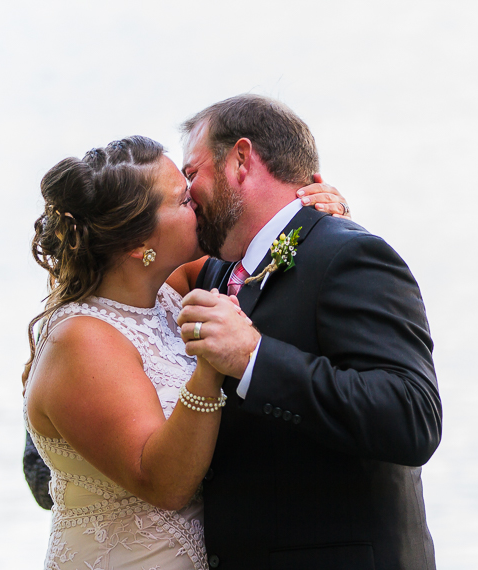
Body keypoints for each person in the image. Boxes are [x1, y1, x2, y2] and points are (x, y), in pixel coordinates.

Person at [23, 135, 349, 570]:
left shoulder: (165, 291)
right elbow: (164, 484)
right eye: (181, 200)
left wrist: (315, 221)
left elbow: (259, 251)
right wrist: (210, 366)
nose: (197, 198)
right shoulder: (82, 340)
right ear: (140, 245)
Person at [176, 94, 441, 570]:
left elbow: (412, 416)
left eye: (191, 173)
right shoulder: (216, 272)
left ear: (240, 159)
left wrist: (255, 358)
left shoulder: (350, 256)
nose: (185, 193)